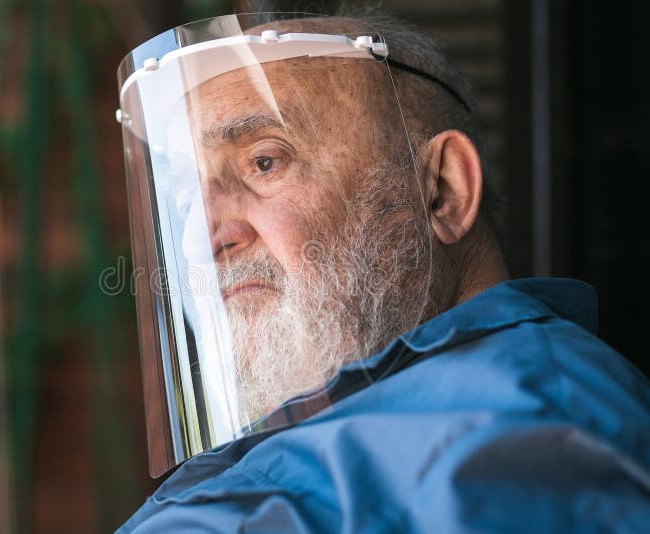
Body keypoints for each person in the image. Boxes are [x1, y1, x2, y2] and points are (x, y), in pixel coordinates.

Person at [115, 9, 650, 533]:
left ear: (442, 191)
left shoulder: (536, 433)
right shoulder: (352, 417)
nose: (199, 240)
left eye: (264, 162)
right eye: (184, 197)